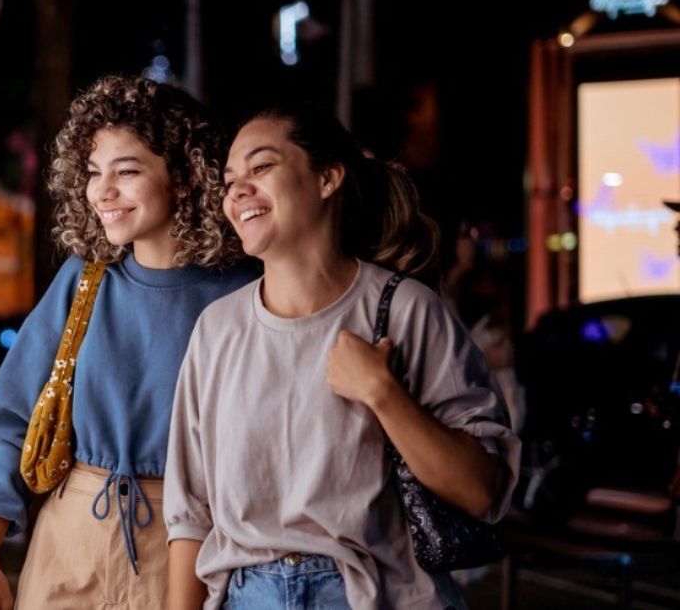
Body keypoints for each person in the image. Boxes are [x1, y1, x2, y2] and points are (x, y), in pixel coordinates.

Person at [165, 102, 521, 609]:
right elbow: (190, 513)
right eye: (229, 179)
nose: (237, 191)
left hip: (374, 595)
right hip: (245, 596)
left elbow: (484, 492)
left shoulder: (404, 310)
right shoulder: (217, 329)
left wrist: (383, 393)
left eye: (261, 167)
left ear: (328, 179)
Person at [0, 75, 256, 610]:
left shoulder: (245, 293)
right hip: (68, 540)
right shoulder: (83, 281)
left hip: (197, 548)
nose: (102, 191)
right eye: (94, 173)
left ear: (186, 176)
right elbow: (12, 420)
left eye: (127, 171)